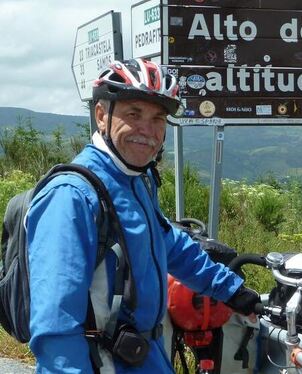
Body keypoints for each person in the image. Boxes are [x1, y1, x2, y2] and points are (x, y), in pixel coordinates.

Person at [26, 58, 260, 373]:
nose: (147, 131)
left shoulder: (135, 178)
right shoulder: (71, 196)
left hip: (145, 356)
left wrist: (231, 290)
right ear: (101, 116)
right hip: (101, 362)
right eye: (133, 114)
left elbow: (167, 242)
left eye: (158, 119)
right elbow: (56, 329)